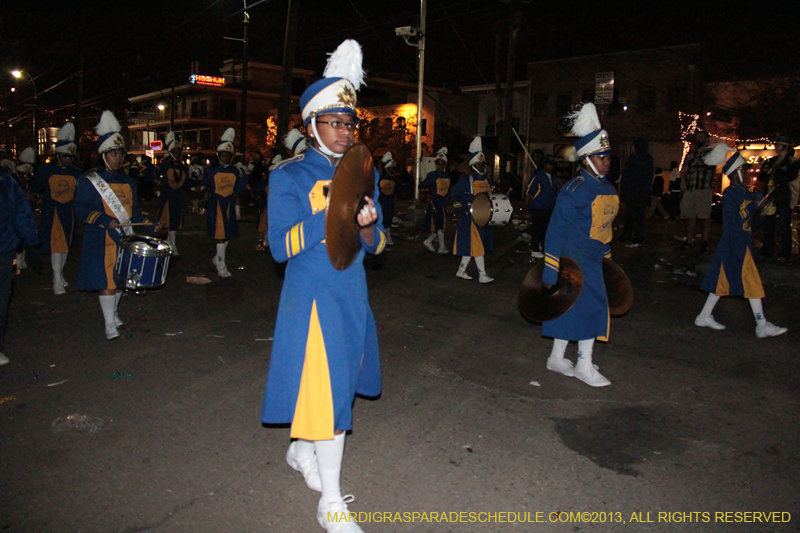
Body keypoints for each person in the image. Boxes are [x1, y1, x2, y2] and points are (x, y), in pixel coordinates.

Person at [260, 39, 384, 533]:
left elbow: (378, 244)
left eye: (351, 123)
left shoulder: (363, 171)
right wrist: (330, 212)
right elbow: (279, 246)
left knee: (337, 388)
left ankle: (300, 448)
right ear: (311, 124)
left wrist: (368, 224)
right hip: (311, 299)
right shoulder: (288, 176)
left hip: (351, 294)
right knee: (329, 396)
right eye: (335, 122)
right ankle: (330, 502)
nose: (345, 131)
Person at [541, 103, 619, 387]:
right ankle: (584, 365)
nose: (606, 162)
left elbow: (605, 229)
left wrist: (608, 262)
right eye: (600, 157)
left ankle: (556, 358)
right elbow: (555, 231)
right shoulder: (574, 190)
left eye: (608, 157)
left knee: (572, 309)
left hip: (595, 260)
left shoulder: (608, 188)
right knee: (588, 309)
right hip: (575, 260)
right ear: (586, 160)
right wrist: (550, 270)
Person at [74, 111, 160, 340]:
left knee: (121, 280)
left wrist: (151, 226)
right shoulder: (89, 180)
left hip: (123, 238)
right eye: (113, 153)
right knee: (106, 280)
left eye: (120, 153)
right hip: (101, 238)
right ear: (103, 154)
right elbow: (80, 209)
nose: (118, 158)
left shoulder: (128, 181)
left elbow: (134, 213)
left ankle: (112, 313)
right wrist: (103, 220)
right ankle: (109, 324)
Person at [694, 145, 787, 338]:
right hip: (734, 242)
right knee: (751, 281)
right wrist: (755, 207)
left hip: (740, 241)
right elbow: (733, 222)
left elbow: (750, 223)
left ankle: (703, 316)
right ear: (736, 172)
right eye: (744, 169)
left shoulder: (743, 192)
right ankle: (761, 324)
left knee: (722, 281)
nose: (746, 172)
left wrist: (762, 213)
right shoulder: (730, 193)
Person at [29, 123, 81, 294]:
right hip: (53, 213)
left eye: (72, 157)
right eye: (66, 156)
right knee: (56, 246)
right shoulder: (45, 171)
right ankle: (57, 278)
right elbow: (34, 190)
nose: (69, 160)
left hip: (69, 213)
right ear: (58, 154)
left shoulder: (76, 172)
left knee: (65, 246)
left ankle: (59, 274)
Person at [0, 166, 40, 365]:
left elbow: (21, 212)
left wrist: (30, 242)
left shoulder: (5, 181)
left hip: (3, 249)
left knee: (1, 299)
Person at [203, 128, 247, 278]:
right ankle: (221, 267)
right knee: (220, 236)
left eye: (228, 155)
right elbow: (204, 184)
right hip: (216, 205)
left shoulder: (235, 171)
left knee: (227, 235)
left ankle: (217, 257)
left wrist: (244, 176)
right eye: (223, 155)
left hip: (229, 205)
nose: (226, 158)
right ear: (218, 155)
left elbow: (238, 189)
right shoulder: (212, 170)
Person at [451, 136, 494, 283]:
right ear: (473, 165)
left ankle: (461, 270)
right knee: (477, 245)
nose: (481, 167)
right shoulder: (465, 179)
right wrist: (461, 209)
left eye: (483, 165)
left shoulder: (487, 180)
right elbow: (454, 196)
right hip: (469, 218)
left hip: (483, 219)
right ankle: (482, 275)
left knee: (472, 246)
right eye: (478, 165)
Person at [758, 136, 798, 264]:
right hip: (770, 196)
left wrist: (774, 172)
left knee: (784, 226)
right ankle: (767, 252)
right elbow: (762, 178)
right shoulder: (772, 160)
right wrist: (765, 171)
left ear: (785, 147)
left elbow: (788, 177)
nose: (775, 146)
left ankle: (784, 254)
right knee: (769, 225)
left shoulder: (792, 162)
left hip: (783, 196)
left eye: (778, 144)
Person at [680, 131, 715, 253]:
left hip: (704, 188)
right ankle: (689, 240)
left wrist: (693, 166)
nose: (698, 138)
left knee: (704, 217)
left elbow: (709, 166)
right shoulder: (691, 153)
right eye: (697, 136)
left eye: (701, 136)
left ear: (706, 139)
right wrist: (683, 181)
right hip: (691, 187)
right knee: (690, 216)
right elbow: (684, 169)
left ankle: (704, 242)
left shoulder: (710, 153)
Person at [157, 132, 188, 256]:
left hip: (178, 196)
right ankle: (172, 245)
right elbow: (159, 180)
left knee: (176, 219)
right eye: (175, 152)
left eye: (179, 152)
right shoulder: (165, 166)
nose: (178, 154)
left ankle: (169, 242)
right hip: (168, 196)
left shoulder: (184, 168)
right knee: (168, 220)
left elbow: (186, 182)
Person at [619, 138, 654, 247]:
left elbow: (647, 175)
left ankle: (635, 234)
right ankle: (630, 234)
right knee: (632, 214)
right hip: (635, 190)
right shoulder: (636, 158)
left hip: (638, 191)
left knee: (636, 214)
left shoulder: (642, 159)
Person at [525, 155, 558, 258]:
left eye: (552, 164)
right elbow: (529, 191)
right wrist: (526, 207)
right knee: (537, 228)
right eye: (549, 164)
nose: (551, 166)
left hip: (548, 207)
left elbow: (554, 191)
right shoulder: (538, 175)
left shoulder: (553, 177)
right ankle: (534, 249)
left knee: (546, 229)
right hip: (537, 206)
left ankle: (543, 248)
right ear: (544, 164)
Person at [420, 147, 450, 254]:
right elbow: (421, 186)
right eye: (438, 163)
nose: (440, 166)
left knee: (441, 225)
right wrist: (427, 195)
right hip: (435, 203)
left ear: (445, 165)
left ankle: (429, 241)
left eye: (442, 164)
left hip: (443, 203)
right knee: (439, 224)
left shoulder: (447, 175)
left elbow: (447, 190)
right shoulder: (432, 175)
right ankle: (441, 247)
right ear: (436, 164)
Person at [13, 148, 37, 272]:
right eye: (23, 175)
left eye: (28, 175)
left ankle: (21, 258)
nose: (26, 178)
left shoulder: (27, 183)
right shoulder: (12, 182)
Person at [378, 152, 398, 245]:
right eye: (390, 169)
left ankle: (388, 235)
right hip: (382, 202)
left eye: (393, 169)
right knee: (381, 219)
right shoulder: (380, 179)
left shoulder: (394, 179)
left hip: (390, 201)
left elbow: (398, 188)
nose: (392, 170)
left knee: (389, 218)